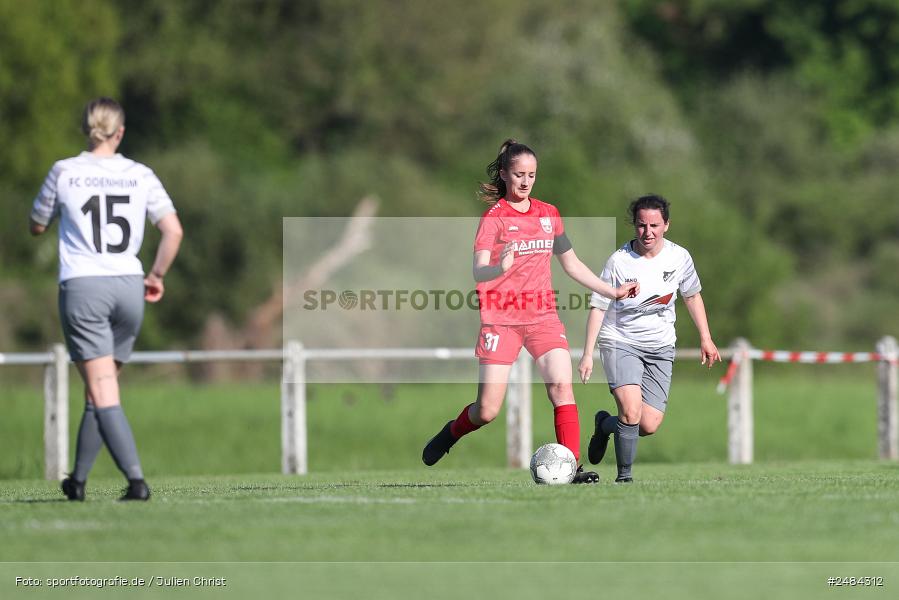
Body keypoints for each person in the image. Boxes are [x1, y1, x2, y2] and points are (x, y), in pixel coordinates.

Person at [422, 139, 638, 483]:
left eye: (531, 175)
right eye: (519, 174)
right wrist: (499, 267)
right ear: (505, 175)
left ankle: (572, 467)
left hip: (542, 316)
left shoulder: (549, 214)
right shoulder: (494, 219)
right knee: (488, 410)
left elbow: (572, 265)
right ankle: (452, 432)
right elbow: (479, 271)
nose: (525, 181)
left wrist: (611, 291)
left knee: (561, 386)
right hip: (501, 319)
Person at [29, 97, 183, 501]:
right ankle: (76, 481)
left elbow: (37, 224)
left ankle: (136, 482)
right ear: (121, 133)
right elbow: (173, 231)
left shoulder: (64, 171)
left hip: (85, 287)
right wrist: (157, 274)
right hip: (130, 287)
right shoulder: (141, 174)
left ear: (87, 128)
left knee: (101, 388)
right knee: (100, 388)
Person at [578, 194, 719, 483]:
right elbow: (598, 306)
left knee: (648, 424)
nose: (648, 232)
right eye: (641, 225)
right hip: (620, 341)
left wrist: (706, 337)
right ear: (635, 226)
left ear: (666, 225)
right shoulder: (619, 261)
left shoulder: (679, 257)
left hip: (660, 346)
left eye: (654, 225)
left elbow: (692, 296)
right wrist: (587, 353)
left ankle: (604, 425)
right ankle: (624, 478)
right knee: (630, 411)